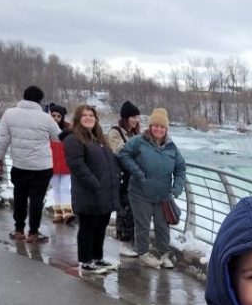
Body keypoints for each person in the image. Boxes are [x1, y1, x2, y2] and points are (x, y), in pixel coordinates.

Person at [116, 107, 186, 269]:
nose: (158, 129)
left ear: (166, 128)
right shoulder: (138, 141)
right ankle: (143, 253)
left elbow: (181, 169)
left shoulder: (172, 147)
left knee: (163, 227)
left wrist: (176, 189)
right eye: (155, 125)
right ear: (150, 126)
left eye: (162, 127)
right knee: (143, 225)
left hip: (163, 195)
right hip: (140, 193)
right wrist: (139, 173)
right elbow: (123, 155)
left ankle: (164, 254)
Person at [0, 85, 62, 243]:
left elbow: (3, 138)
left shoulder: (9, 114)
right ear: (40, 100)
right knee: (37, 200)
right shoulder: (46, 118)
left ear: (23, 97)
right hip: (42, 167)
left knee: (20, 197)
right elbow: (58, 138)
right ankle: (33, 233)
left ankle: (18, 230)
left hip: (20, 165)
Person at [62, 105, 121, 274]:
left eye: (91, 115)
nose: (88, 118)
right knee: (88, 228)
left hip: (104, 192)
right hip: (88, 192)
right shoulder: (73, 139)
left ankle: (97, 258)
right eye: (84, 115)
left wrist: (116, 176)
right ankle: (86, 261)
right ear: (78, 119)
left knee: (100, 227)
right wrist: (95, 184)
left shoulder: (98, 139)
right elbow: (77, 165)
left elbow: (110, 162)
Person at [106, 100, 141, 257]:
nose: (135, 120)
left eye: (137, 117)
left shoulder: (135, 134)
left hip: (134, 178)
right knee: (124, 210)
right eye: (132, 117)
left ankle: (131, 241)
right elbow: (121, 152)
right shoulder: (115, 132)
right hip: (121, 177)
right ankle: (122, 242)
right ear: (125, 117)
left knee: (133, 210)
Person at [47, 103, 75, 225]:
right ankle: (58, 213)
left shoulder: (68, 130)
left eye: (59, 116)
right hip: (51, 163)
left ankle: (67, 212)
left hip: (65, 163)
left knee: (65, 188)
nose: (56, 118)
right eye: (53, 115)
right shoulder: (45, 128)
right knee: (56, 189)